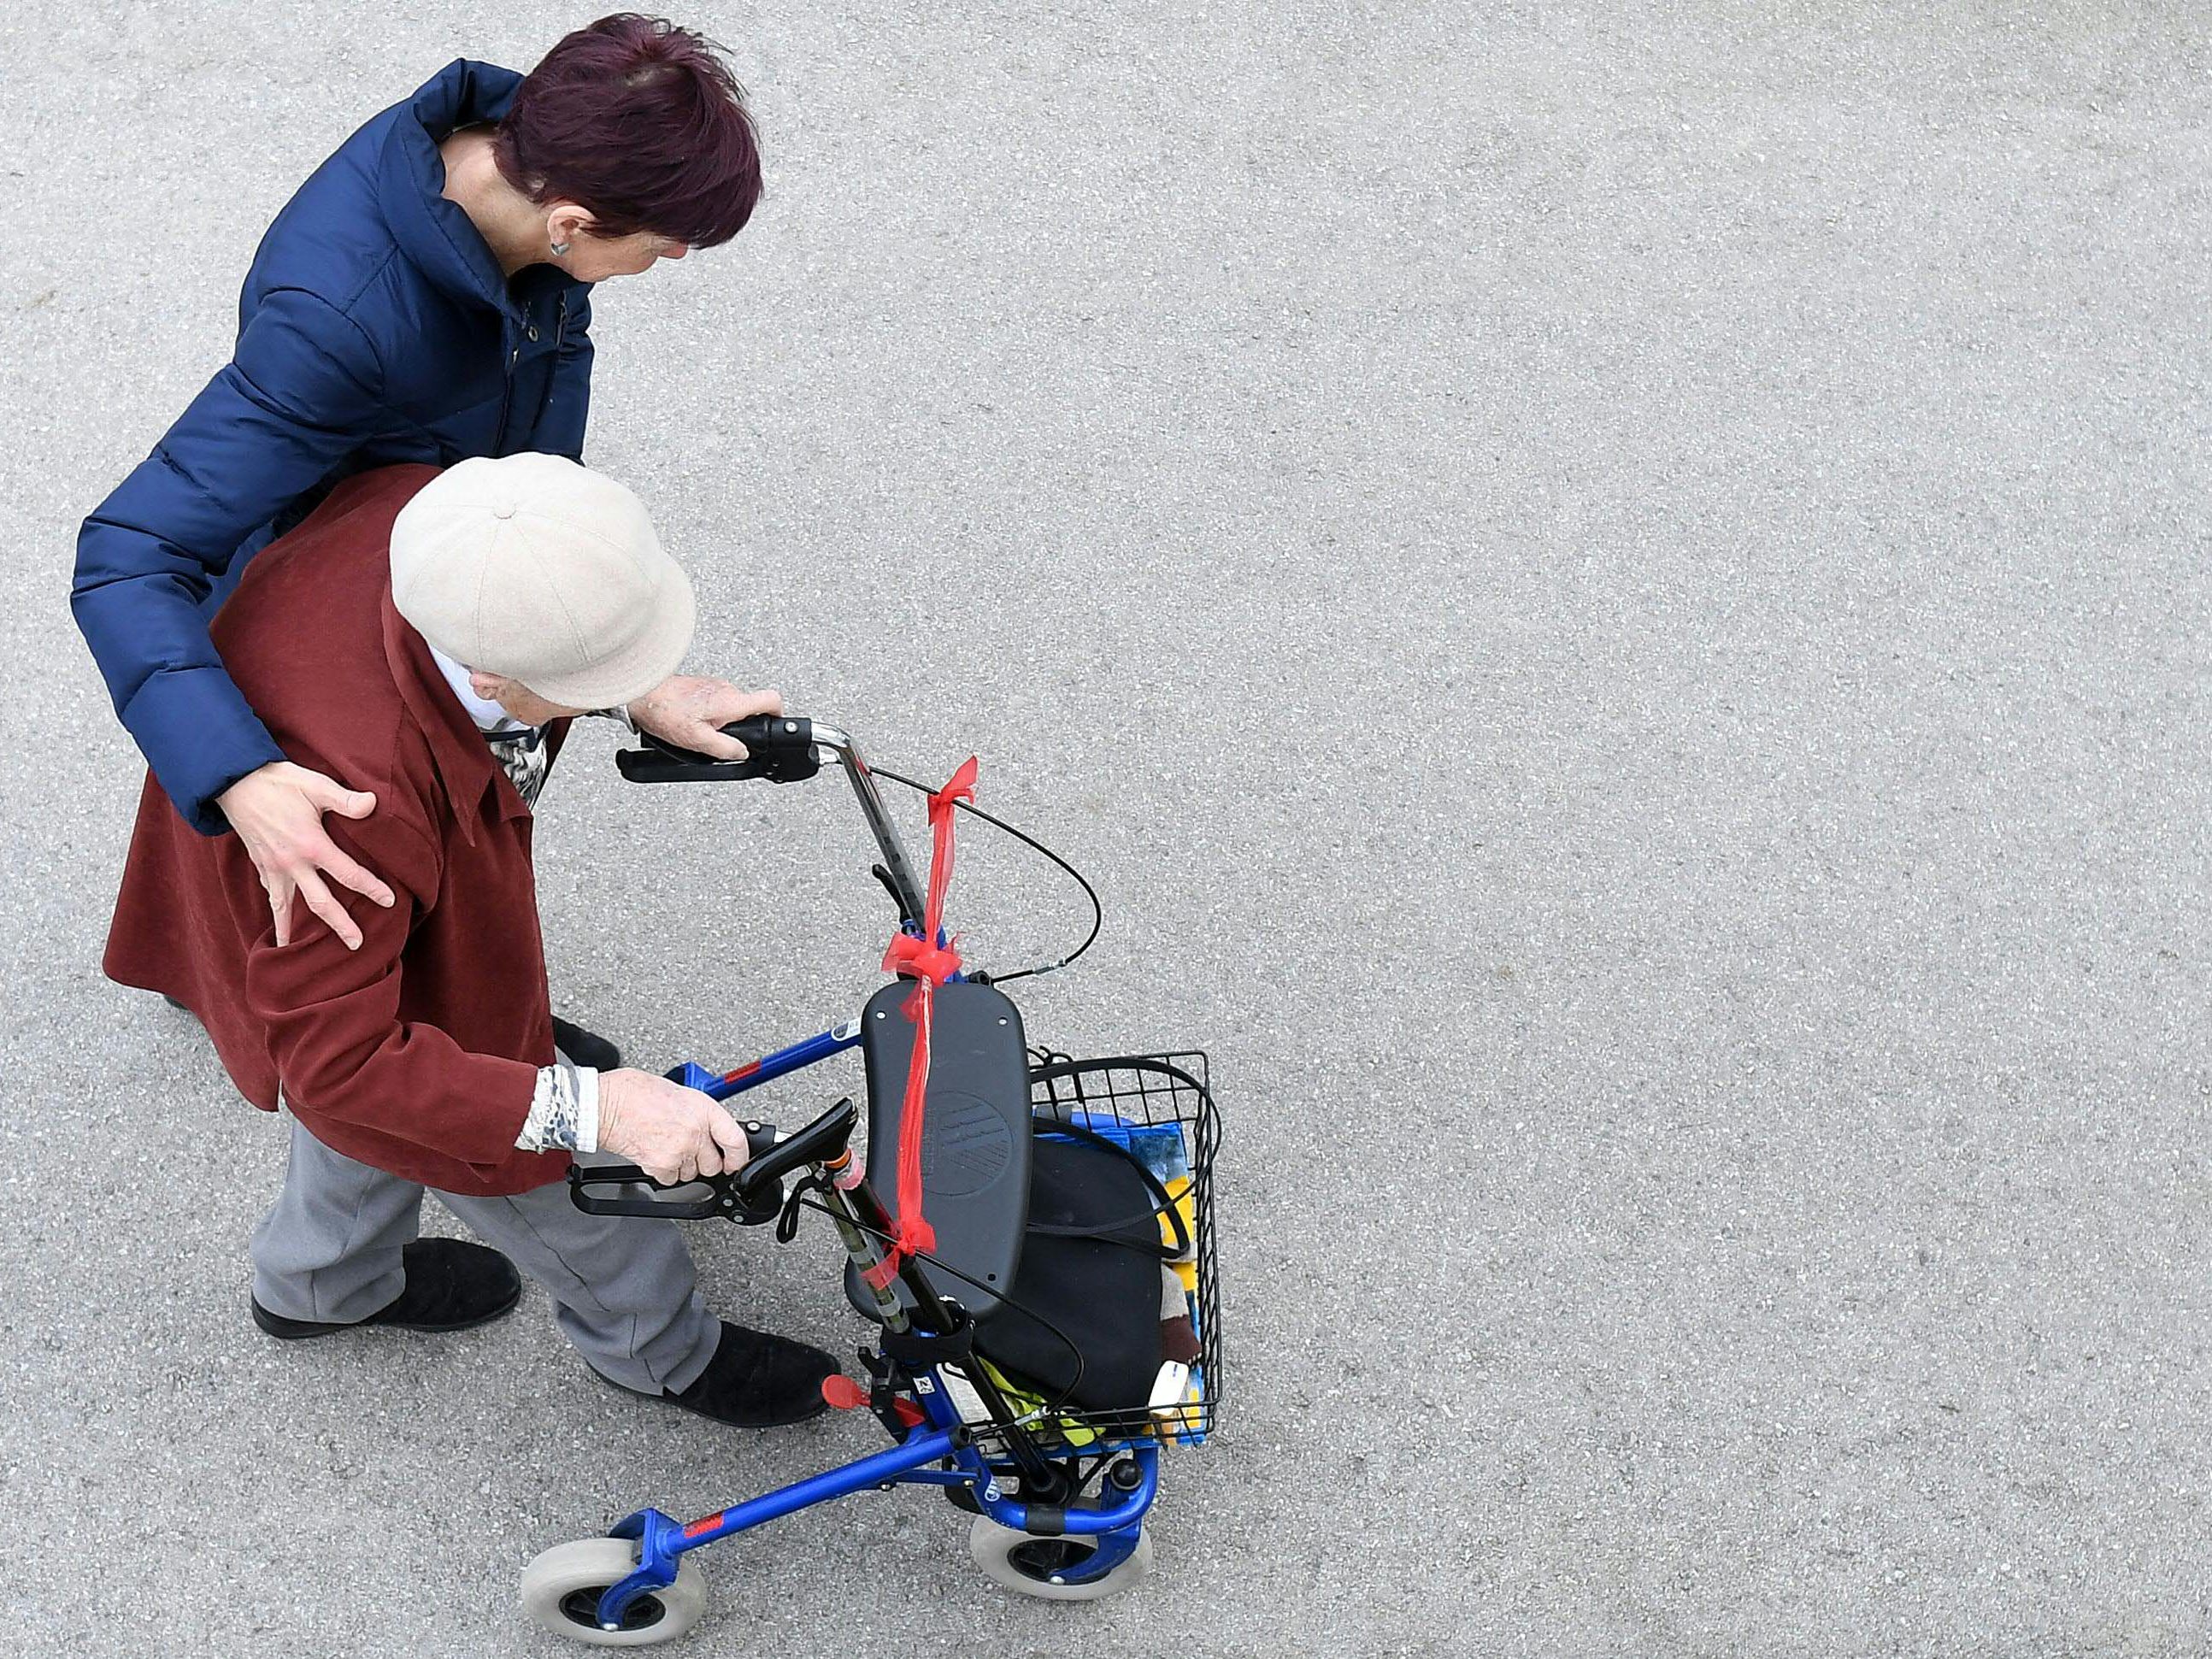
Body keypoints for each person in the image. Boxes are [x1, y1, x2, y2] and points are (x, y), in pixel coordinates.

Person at [73, 16, 774, 1054]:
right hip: (351, 588)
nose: (668, 259)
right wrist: (239, 775)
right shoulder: (340, 325)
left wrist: (611, 662)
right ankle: (425, 1056)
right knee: (352, 834)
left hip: (452, 557)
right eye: (662, 243)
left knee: (441, 817)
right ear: (572, 223)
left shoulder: (512, 164)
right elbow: (125, 557)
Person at [102, 452, 839, 1427]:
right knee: (549, 1178)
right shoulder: (360, 806)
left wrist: (635, 685)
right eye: (590, 679)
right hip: (335, 915)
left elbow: (329, 1037)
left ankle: (321, 1286)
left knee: (375, 1095)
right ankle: (662, 1355)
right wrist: (591, 1112)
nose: (610, 690)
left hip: (312, 931)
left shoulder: (437, 521)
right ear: (493, 671)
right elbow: (341, 1063)